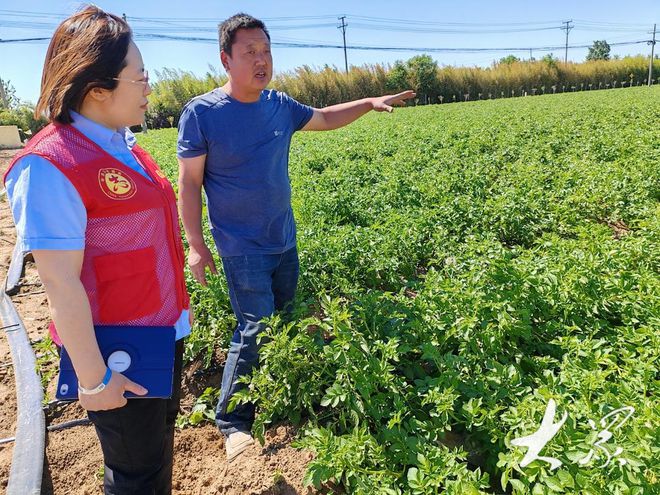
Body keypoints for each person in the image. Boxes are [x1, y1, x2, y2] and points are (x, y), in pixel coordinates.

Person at [177, 12, 414, 462]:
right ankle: (233, 423)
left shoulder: (279, 105)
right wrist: (196, 245)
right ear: (226, 59)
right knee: (256, 328)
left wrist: (366, 102)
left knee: (284, 321)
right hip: (241, 247)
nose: (261, 60)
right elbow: (189, 183)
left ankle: (281, 392)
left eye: (266, 51)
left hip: (283, 239)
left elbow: (323, 117)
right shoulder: (203, 114)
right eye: (250, 52)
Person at [3, 6, 191, 494]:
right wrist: (93, 379)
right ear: (97, 90)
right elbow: (59, 281)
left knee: (153, 459)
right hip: (118, 355)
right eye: (140, 76)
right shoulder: (51, 166)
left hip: (159, 333)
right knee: (135, 475)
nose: (150, 86)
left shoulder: (121, 144)